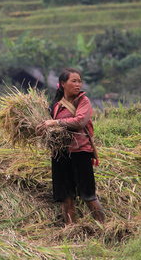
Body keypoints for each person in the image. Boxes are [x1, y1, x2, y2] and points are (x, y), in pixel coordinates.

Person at [37, 67, 105, 225]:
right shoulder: (54, 105)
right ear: (62, 84)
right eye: (73, 81)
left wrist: (55, 122)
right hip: (60, 154)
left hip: (80, 152)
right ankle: (71, 232)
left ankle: (105, 229)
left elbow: (80, 122)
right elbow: (47, 128)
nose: (78, 84)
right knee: (65, 197)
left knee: (88, 195)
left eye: (79, 81)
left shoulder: (83, 101)